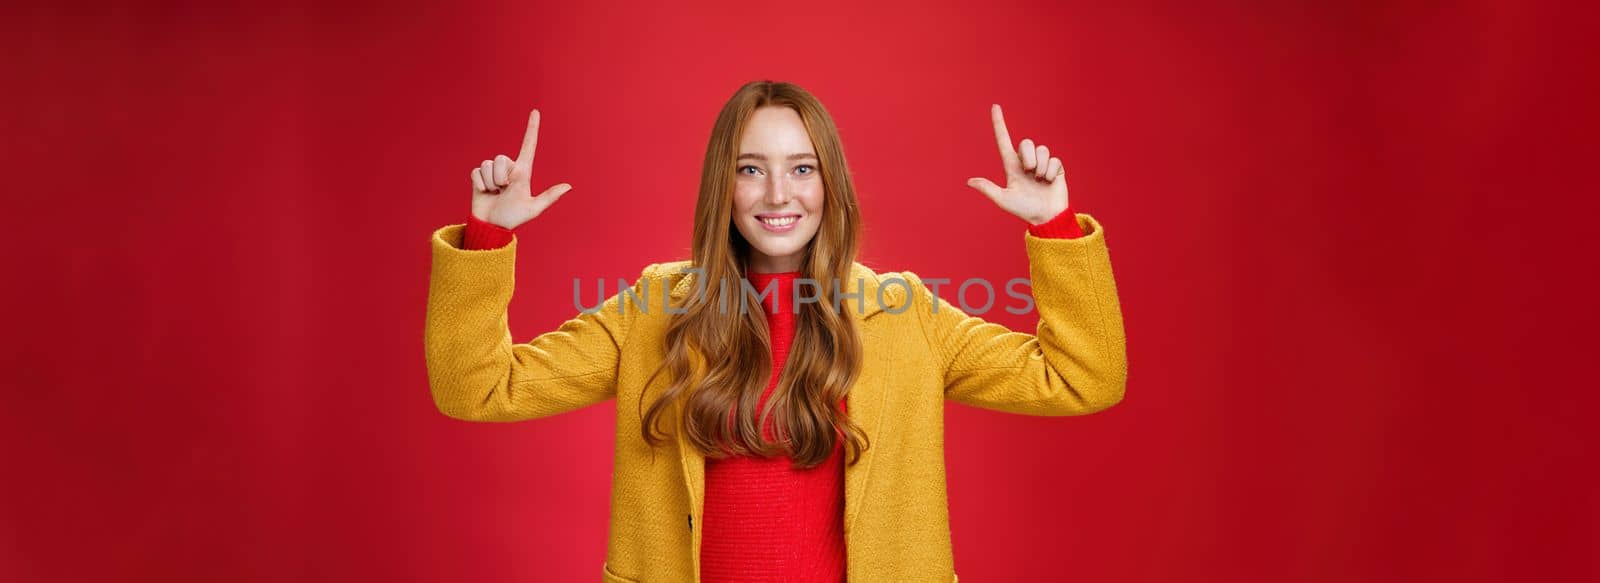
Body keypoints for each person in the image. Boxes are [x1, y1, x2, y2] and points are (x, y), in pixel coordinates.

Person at [424, 80, 1127, 583]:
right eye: (751, 169)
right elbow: (481, 388)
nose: (778, 194)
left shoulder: (901, 313)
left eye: (802, 169)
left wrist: (1052, 224)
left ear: (830, 185)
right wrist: (487, 237)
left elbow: (1082, 377)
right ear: (722, 187)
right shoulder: (655, 308)